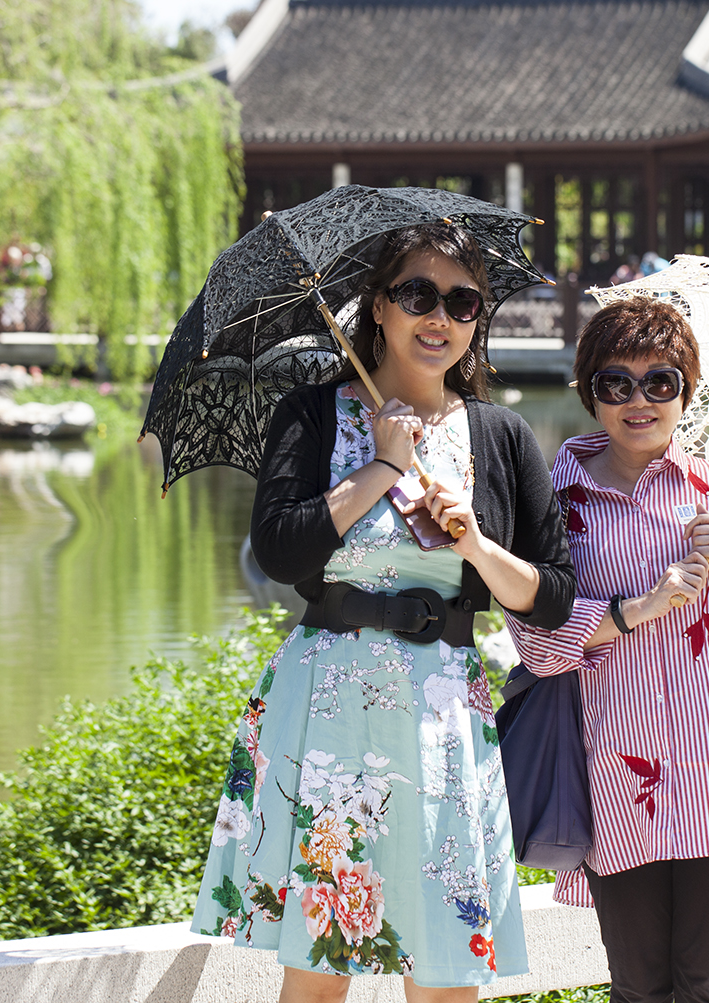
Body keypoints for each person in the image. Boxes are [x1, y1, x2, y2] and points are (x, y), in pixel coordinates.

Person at [191, 221, 576, 1002]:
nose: (440, 317)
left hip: (441, 712)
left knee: (446, 958)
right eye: (417, 294)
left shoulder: (497, 434)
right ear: (377, 307)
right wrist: (382, 466)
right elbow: (280, 553)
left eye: (462, 301)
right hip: (326, 707)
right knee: (319, 960)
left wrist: (474, 543)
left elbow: (555, 593)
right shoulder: (312, 414)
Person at [507, 296, 709, 1003]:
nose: (637, 400)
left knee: (706, 986)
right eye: (615, 382)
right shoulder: (552, 504)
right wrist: (638, 609)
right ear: (587, 391)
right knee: (638, 988)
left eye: (659, 382)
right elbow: (538, 642)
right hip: (617, 775)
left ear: (685, 391)